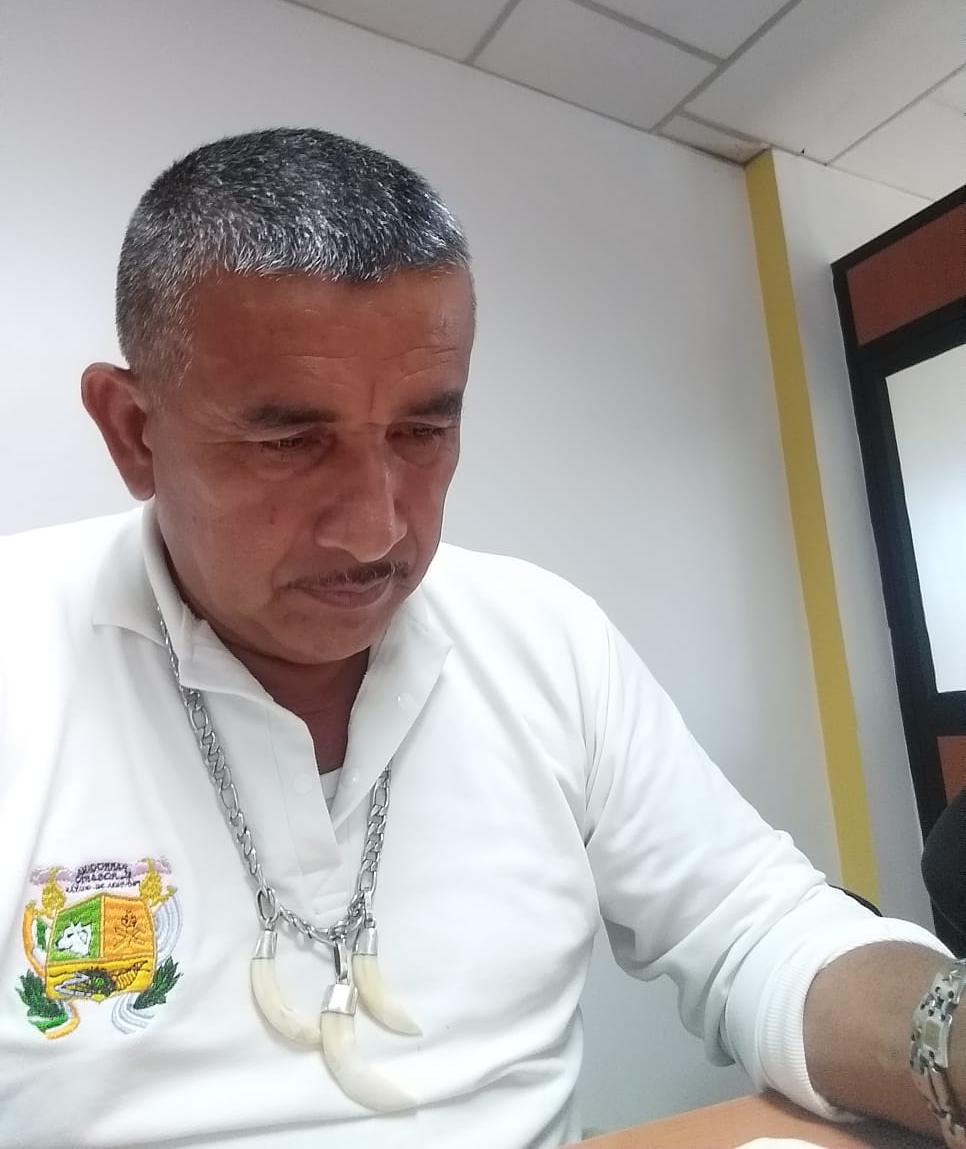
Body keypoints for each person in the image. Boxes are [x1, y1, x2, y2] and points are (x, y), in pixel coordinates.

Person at [0, 128, 961, 1149]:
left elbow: (756, 927)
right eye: (288, 441)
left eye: (423, 432)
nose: (377, 528)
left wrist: (945, 1034)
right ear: (133, 432)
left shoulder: (544, 639)